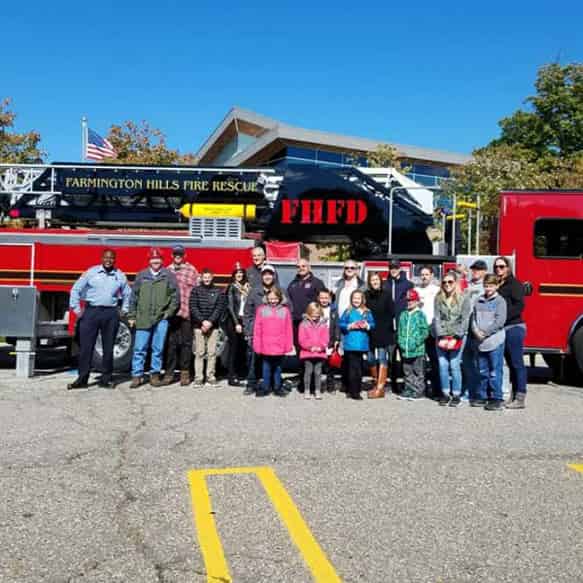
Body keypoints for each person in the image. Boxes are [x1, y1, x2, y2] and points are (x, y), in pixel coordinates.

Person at [68, 249, 131, 389]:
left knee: (108, 348)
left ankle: (106, 379)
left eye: (112, 258)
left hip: (110, 313)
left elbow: (128, 293)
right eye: (106, 257)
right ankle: (82, 379)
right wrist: (77, 310)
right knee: (86, 347)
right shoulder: (91, 272)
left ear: (115, 260)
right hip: (91, 312)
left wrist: (125, 310)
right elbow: (75, 289)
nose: (109, 260)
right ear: (102, 258)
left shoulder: (119, 275)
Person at [128, 248, 179, 388]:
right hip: (143, 317)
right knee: (139, 348)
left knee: (158, 348)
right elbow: (133, 297)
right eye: (153, 259)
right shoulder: (141, 275)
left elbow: (175, 297)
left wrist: (168, 313)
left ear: (162, 260)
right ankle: (137, 376)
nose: (155, 261)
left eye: (158, 259)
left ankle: (154, 375)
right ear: (149, 260)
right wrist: (132, 315)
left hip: (161, 318)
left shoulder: (168, 276)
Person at [243, 264, 283, 395]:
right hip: (257, 332)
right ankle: (251, 383)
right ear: (262, 276)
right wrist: (248, 331)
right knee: (253, 359)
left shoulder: (280, 291)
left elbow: (288, 310)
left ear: (274, 275)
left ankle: (273, 384)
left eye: (270, 274)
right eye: (265, 274)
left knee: (274, 361)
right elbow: (247, 313)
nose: (267, 276)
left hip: (274, 334)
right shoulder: (254, 291)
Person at [434, 271, 472, 407]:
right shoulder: (438, 298)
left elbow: (465, 318)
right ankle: (445, 393)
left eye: (450, 282)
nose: (447, 285)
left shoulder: (464, 298)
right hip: (442, 336)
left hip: (458, 336)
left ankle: (456, 394)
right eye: (444, 282)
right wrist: (441, 335)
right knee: (443, 364)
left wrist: (456, 336)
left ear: (455, 283)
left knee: (454, 364)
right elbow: (437, 318)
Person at [287, 259, 325, 392]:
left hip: (312, 325)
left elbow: (322, 302)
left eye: (303, 266)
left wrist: (313, 317)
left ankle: (315, 384)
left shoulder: (317, 283)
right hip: (297, 324)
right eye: (298, 266)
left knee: (313, 353)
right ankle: (304, 381)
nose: (301, 268)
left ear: (309, 267)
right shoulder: (293, 283)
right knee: (300, 353)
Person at [495, 256, 528, 409]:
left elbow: (519, 306)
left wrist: (502, 318)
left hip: (514, 327)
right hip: (503, 328)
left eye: (502, 266)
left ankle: (520, 396)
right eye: (496, 267)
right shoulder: (498, 285)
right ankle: (513, 396)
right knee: (510, 363)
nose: (498, 269)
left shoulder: (515, 284)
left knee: (517, 363)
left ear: (508, 268)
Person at [163, 245, 199, 386]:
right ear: (172, 256)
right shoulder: (167, 270)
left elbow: (196, 291)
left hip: (187, 313)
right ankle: (169, 373)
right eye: (175, 254)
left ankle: (185, 373)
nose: (178, 256)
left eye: (180, 254)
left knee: (186, 343)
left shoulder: (192, 270)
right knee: (171, 344)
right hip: (172, 313)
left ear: (184, 255)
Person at [471, 274, 507, 411]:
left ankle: (496, 397)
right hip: (480, 342)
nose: (488, 289)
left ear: (497, 286)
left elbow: (500, 321)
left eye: (491, 286)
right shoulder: (478, 301)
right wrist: (476, 332)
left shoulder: (500, 301)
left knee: (495, 371)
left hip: (494, 341)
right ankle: (482, 396)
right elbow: (473, 318)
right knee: (482, 370)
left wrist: (485, 333)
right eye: (486, 286)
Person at [252, 287, 293, 397]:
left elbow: (288, 329)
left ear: (279, 298)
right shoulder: (261, 309)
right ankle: (265, 387)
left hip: (280, 344)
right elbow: (257, 328)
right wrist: (257, 345)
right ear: (266, 298)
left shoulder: (285, 311)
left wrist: (288, 345)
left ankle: (277, 387)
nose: (272, 301)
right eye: (270, 298)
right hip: (266, 344)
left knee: (278, 368)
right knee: (266, 367)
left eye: (275, 298)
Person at [189, 268, 226, 387]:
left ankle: (210, 376)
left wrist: (210, 322)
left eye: (209, 277)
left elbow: (219, 308)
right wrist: (202, 322)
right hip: (199, 326)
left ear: (212, 277)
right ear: (201, 277)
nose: (207, 279)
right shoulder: (195, 291)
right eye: (205, 277)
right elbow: (193, 307)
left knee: (212, 353)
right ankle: (198, 378)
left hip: (213, 326)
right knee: (199, 352)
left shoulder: (218, 291)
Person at [383, 258, 414, 392]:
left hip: (402, 326)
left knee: (404, 357)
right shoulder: (385, 284)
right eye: (391, 268)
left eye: (395, 267)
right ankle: (393, 384)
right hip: (389, 327)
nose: (393, 270)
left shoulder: (408, 284)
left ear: (400, 268)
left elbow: (412, 302)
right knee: (390, 357)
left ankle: (408, 384)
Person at [339, 290, 375, 400]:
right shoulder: (348, 311)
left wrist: (366, 325)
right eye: (354, 298)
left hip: (361, 345)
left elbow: (373, 324)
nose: (356, 300)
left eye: (358, 298)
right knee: (351, 368)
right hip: (350, 344)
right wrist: (350, 326)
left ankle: (354, 389)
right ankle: (353, 391)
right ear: (351, 299)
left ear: (362, 299)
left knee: (359, 369)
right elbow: (341, 324)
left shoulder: (366, 312)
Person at [365, 271, 395, 399]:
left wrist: (385, 327)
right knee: (371, 358)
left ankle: (380, 388)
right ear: (369, 282)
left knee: (382, 358)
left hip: (383, 331)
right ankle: (374, 382)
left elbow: (392, 312)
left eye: (376, 279)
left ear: (380, 281)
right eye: (372, 280)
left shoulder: (387, 295)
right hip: (369, 331)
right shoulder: (365, 295)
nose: (375, 282)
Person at [462, 259, 488, 401]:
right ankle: (468, 391)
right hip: (466, 328)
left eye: (478, 269)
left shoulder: (486, 286)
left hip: (478, 329)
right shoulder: (468, 285)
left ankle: (480, 393)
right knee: (466, 362)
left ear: (484, 271)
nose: (475, 271)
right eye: (474, 269)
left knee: (480, 364)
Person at [397, 289, 430, 401]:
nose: (409, 302)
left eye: (412, 300)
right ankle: (409, 389)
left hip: (417, 349)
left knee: (417, 370)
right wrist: (401, 342)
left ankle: (418, 391)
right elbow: (400, 330)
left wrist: (416, 342)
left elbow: (425, 331)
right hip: (405, 349)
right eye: (408, 300)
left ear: (417, 301)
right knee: (407, 370)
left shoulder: (420, 315)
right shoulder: (403, 314)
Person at [415, 265, 440, 398]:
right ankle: (420, 388)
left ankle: (437, 390)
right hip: (419, 328)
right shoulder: (416, 290)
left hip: (432, 328)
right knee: (419, 360)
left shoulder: (437, 290)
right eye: (422, 274)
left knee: (435, 360)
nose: (424, 277)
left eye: (427, 274)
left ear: (432, 276)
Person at [298, 302, 329, 400]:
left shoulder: (323, 324)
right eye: (313, 315)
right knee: (308, 372)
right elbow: (301, 339)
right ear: (308, 313)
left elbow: (326, 338)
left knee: (318, 372)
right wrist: (310, 347)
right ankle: (307, 390)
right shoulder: (303, 324)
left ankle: (317, 390)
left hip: (319, 353)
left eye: (317, 314)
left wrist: (321, 347)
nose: (315, 316)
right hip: (308, 353)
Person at [225, 267, 250, 387]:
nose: (239, 275)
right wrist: (236, 323)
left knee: (242, 348)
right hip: (234, 320)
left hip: (244, 320)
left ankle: (241, 373)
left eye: (241, 272)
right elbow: (230, 307)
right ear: (234, 275)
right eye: (237, 273)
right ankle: (231, 375)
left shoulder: (246, 288)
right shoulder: (232, 287)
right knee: (233, 349)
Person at [317, 288, 340, 393]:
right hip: (318, 342)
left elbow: (336, 326)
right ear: (318, 298)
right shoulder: (315, 309)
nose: (324, 300)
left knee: (330, 366)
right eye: (321, 298)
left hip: (330, 342)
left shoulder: (333, 311)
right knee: (318, 365)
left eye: (326, 298)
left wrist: (337, 338)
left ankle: (330, 385)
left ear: (330, 299)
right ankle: (318, 385)